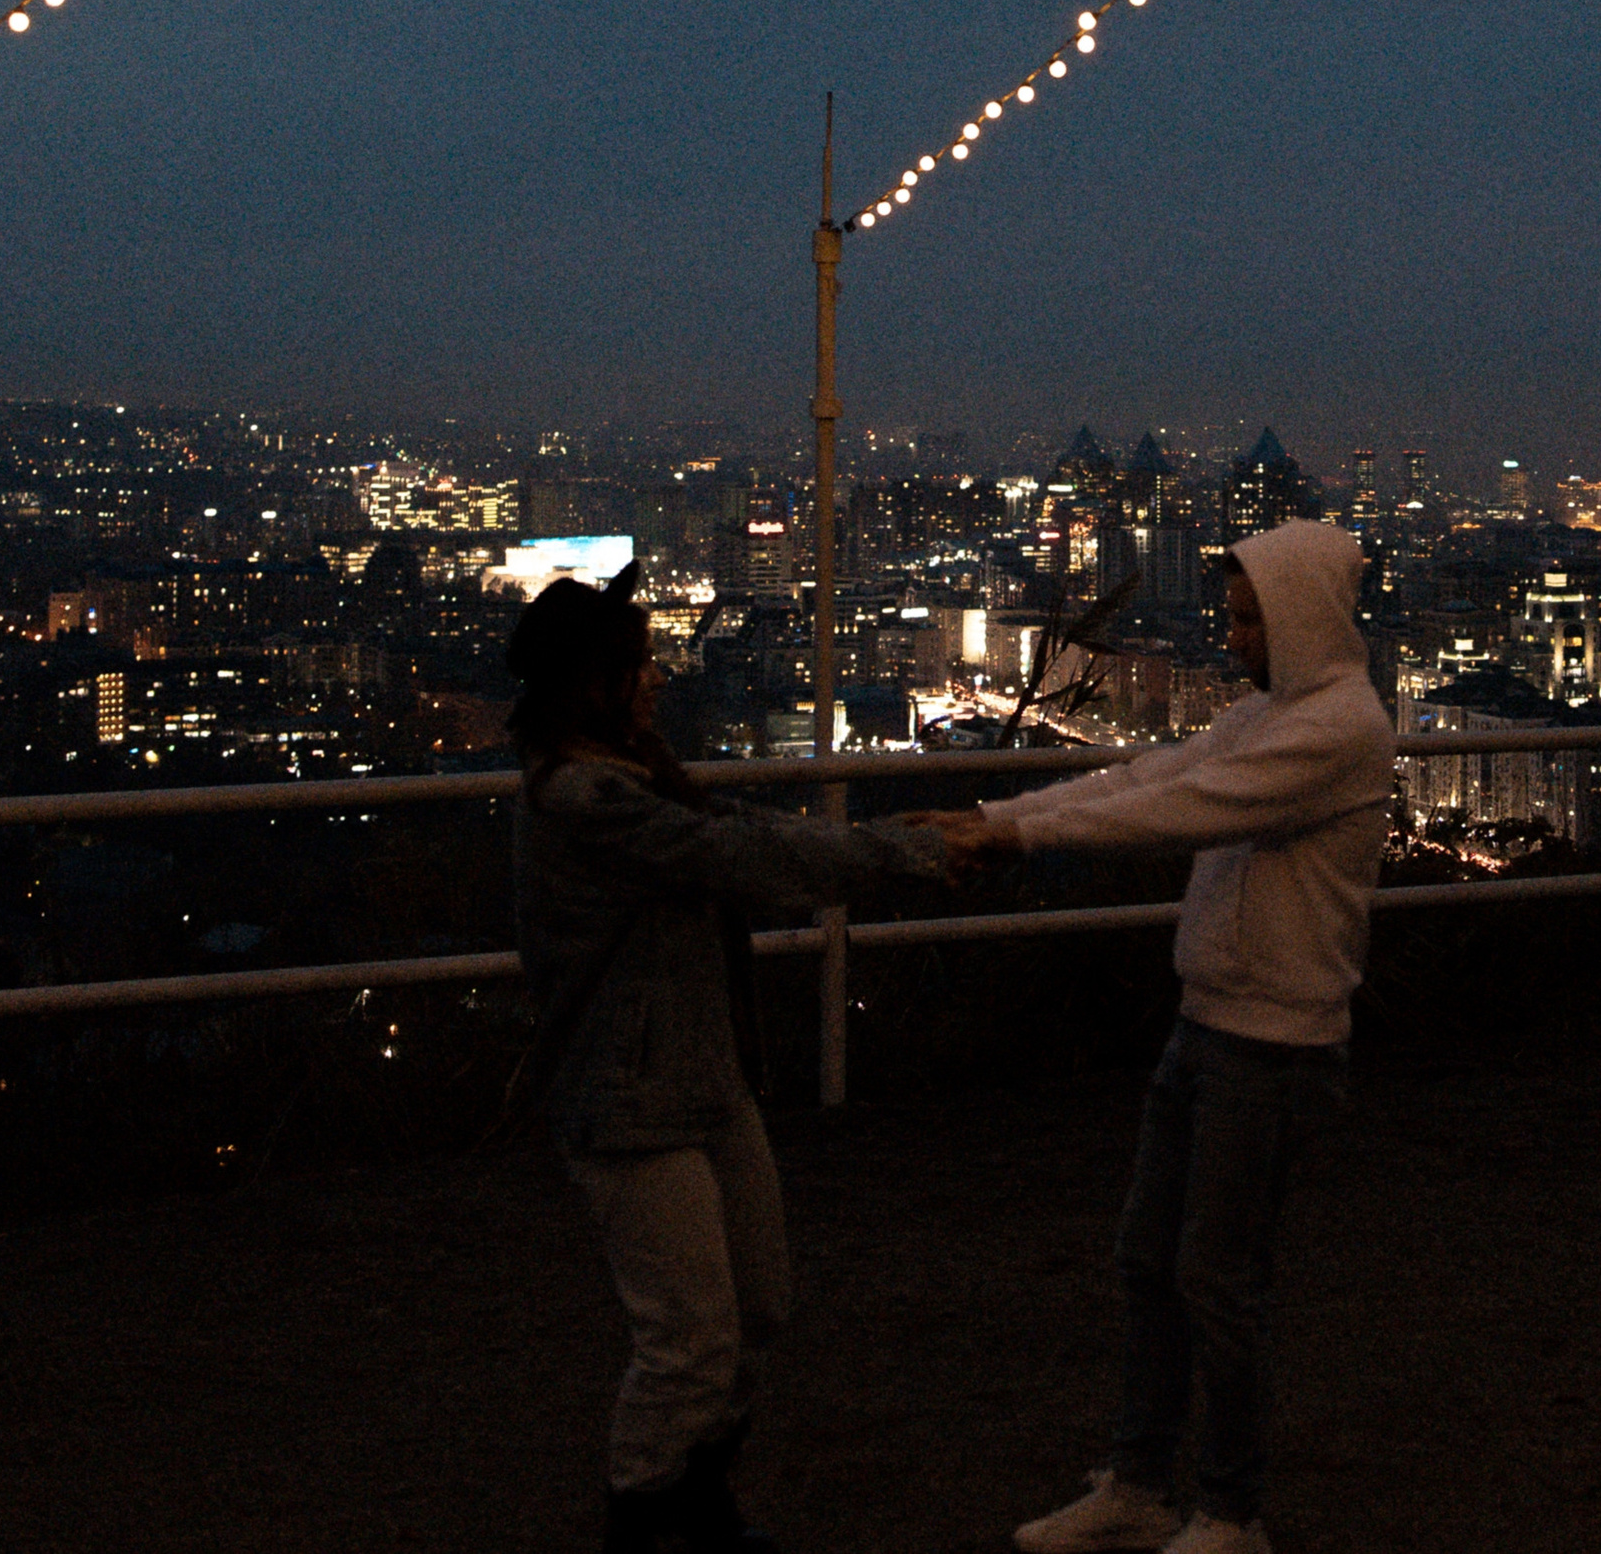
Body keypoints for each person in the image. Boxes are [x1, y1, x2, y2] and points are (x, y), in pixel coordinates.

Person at [923, 517, 1395, 1554]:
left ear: (1301, 618)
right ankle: (1140, 1482)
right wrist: (1005, 816)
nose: (1229, 637)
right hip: (1210, 1026)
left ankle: (1230, 1509)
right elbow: (1147, 778)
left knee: (1218, 1281)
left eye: (1244, 619)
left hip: (1271, 1047)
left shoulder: (1334, 728)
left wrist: (1012, 832)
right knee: (1152, 1261)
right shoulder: (1277, 711)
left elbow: (1182, 808)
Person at [509, 563, 939, 1554]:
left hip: (700, 1082)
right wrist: (904, 851)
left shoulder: (626, 783)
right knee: (688, 1338)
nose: (657, 678)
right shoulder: (587, 802)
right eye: (638, 665)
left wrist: (888, 840)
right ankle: (653, 1520)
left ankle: (694, 1507)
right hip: (628, 1102)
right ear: (596, 687)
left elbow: (736, 842)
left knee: (755, 1308)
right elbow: (738, 858)